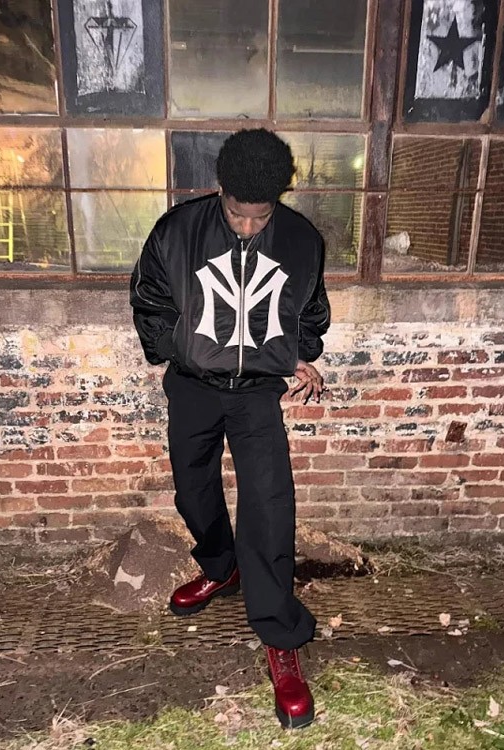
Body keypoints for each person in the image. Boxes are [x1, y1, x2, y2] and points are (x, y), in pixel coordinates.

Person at [130, 128, 330, 730]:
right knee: (193, 491)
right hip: (193, 386)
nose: (247, 226)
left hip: (257, 394)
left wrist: (299, 355)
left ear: (276, 202)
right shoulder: (178, 230)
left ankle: (278, 633)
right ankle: (221, 567)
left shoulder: (299, 239)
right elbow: (149, 299)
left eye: (259, 216)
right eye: (237, 213)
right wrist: (180, 349)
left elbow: (310, 311)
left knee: (269, 503)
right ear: (222, 192)